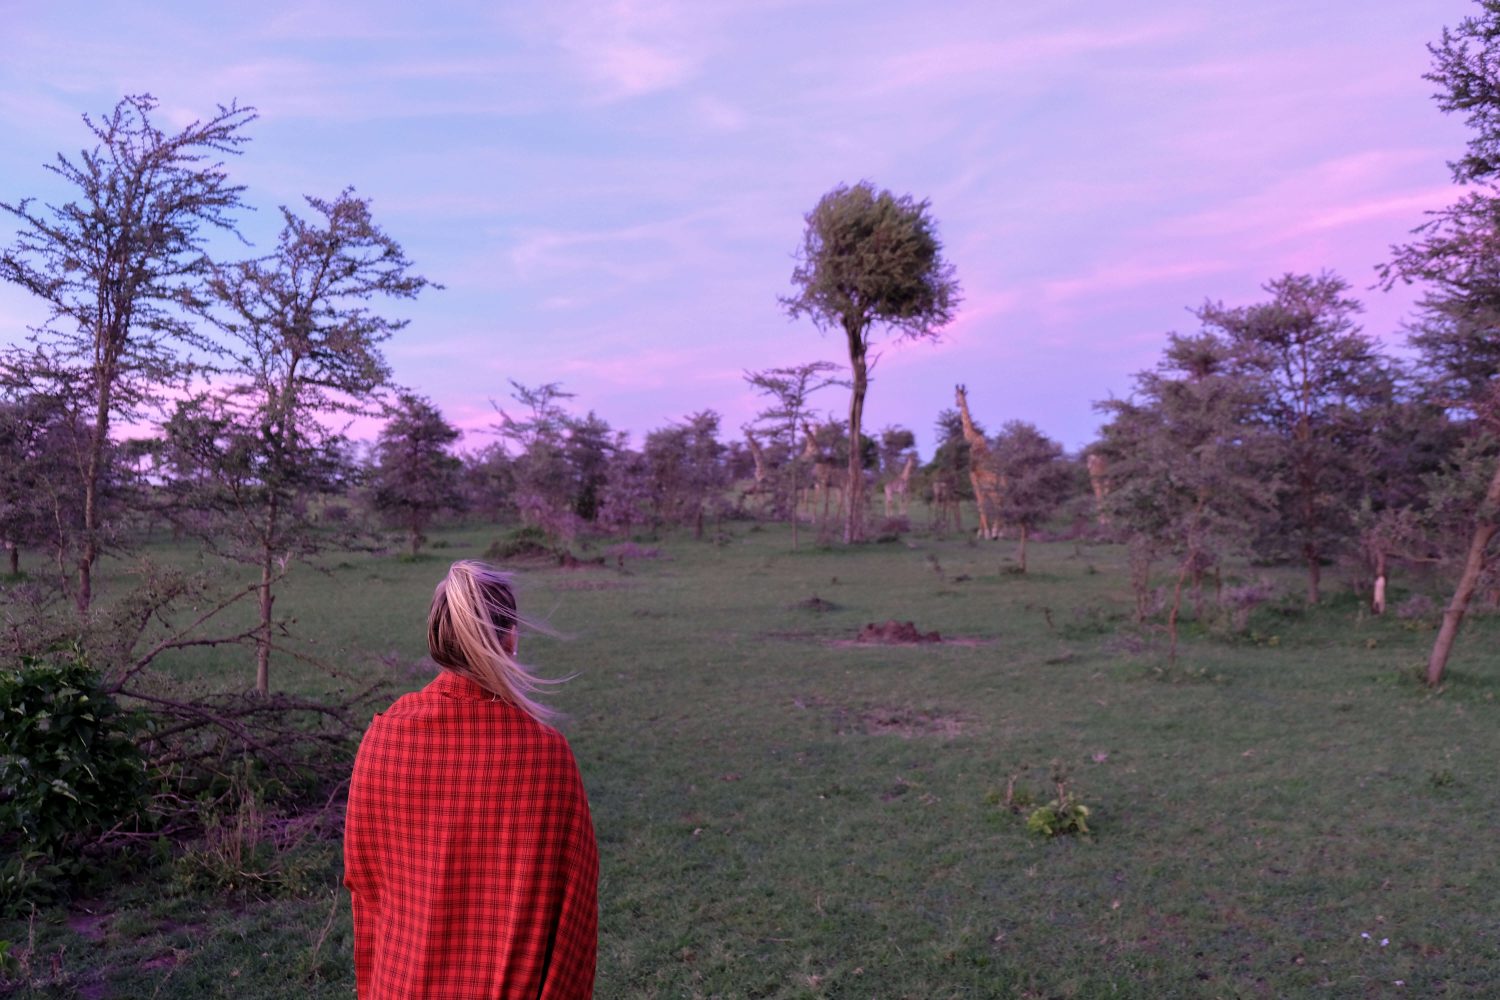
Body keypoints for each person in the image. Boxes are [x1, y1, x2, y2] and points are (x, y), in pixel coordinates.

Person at [344, 560, 598, 998]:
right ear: (510, 639)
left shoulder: (383, 738)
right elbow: (574, 911)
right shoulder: (546, 754)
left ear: (439, 641)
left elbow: (365, 884)